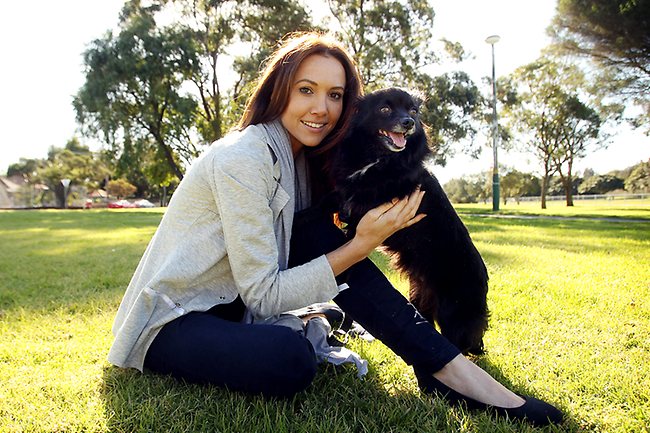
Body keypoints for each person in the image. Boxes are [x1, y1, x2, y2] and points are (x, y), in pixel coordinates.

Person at [107, 31, 563, 426]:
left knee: (323, 231)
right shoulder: (241, 159)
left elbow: (308, 243)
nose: (321, 108)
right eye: (306, 89)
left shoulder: (305, 160)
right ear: (280, 89)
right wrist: (363, 243)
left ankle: (445, 369)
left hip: (234, 308)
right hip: (176, 320)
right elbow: (263, 291)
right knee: (288, 360)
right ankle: (443, 366)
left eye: (335, 95)